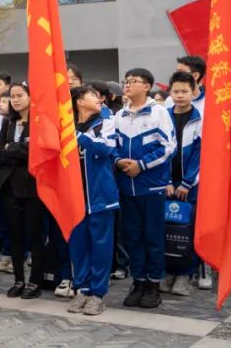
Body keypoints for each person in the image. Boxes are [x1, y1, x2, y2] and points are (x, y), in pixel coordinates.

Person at [114, 67, 176, 310]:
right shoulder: (120, 115)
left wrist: (140, 165)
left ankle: (153, 283)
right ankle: (138, 281)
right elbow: (114, 145)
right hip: (126, 187)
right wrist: (119, 161)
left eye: (133, 81)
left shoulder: (158, 112)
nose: (128, 85)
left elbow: (168, 146)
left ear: (147, 86)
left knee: (153, 237)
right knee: (132, 237)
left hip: (151, 185)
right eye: (126, 81)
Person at [68, 85, 119, 316]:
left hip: (99, 196)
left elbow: (106, 147)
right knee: (78, 245)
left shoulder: (105, 121)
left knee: (101, 246)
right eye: (92, 96)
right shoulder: (67, 124)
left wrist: (77, 136)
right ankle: (82, 288)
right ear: (79, 101)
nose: (99, 99)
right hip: (74, 196)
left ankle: (98, 293)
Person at [0, 81, 45, 299]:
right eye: (12, 96)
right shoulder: (8, 122)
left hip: (32, 187)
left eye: (19, 95)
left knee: (35, 236)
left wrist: (12, 149)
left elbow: (37, 153)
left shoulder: (39, 121)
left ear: (30, 96)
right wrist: (19, 148)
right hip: (9, 186)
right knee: (14, 235)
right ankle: (18, 279)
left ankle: (35, 281)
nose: (15, 100)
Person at [161, 71, 202, 297]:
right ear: (170, 92)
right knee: (166, 229)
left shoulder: (200, 119)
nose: (180, 95)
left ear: (194, 92)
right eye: (176, 91)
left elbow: (200, 153)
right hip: (165, 184)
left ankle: (186, 274)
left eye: (185, 91)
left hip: (190, 185)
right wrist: (167, 180)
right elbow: (162, 151)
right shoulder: (164, 116)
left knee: (187, 230)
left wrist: (186, 183)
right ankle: (168, 271)